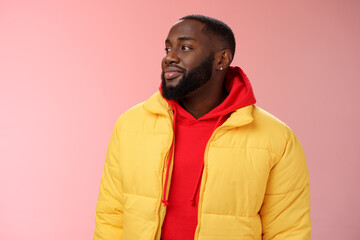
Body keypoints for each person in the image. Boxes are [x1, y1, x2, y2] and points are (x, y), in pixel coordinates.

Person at [94, 15, 311, 240]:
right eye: (167, 48)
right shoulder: (130, 125)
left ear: (222, 59)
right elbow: (111, 217)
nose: (169, 57)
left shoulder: (277, 138)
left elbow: (288, 231)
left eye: (185, 47)